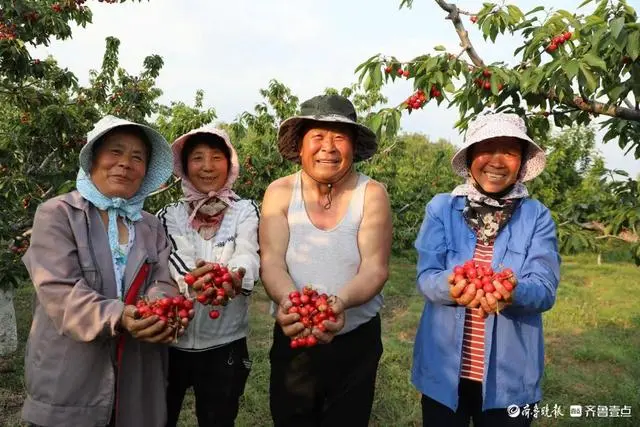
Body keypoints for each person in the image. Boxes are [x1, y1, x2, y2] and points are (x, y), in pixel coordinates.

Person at [21, 115, 188, 427]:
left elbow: (165, 280)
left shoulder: (151, 226)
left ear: (146, 170)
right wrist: (119, 315)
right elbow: (59, 291)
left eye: (137, 157)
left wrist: (157, 310)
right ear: (93, 158)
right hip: (70, 376)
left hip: (138, 372)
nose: (125, 163)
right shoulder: (57, 214)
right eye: (115, 152)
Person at [412, 112, 561, 426]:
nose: (497, 160)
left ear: (520, 163)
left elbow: (544, 290)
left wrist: (511, 289)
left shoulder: (537, 216)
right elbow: (427, 277)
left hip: (510, 382)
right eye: (486, 148)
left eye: (509, 151)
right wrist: (452, 285)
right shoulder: (441, 208)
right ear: (470, 158)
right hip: (444, 375)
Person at [259, 94, 393, 427]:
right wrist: (291, 303)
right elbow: (272, 261)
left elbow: (375, 267)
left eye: (339, 137)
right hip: (295, 332)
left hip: (355, 338)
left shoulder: (371, 193)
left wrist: (340, 303)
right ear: (301, 146)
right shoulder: (279, 191)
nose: (328, 147)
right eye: (318, 137)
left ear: (353, 146)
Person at [157, 125, 260, 427]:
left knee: (219, 417)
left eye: (217, 157)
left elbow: (248, 250)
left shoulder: (245, 210)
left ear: (230, 165)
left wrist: (238, 276)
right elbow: (176, 256)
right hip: (171, 341)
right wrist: (195, 279)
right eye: (197, 158)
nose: (207, 166)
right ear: (185, 167)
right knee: (161, 415)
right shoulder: (170, 214)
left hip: (225, 341)